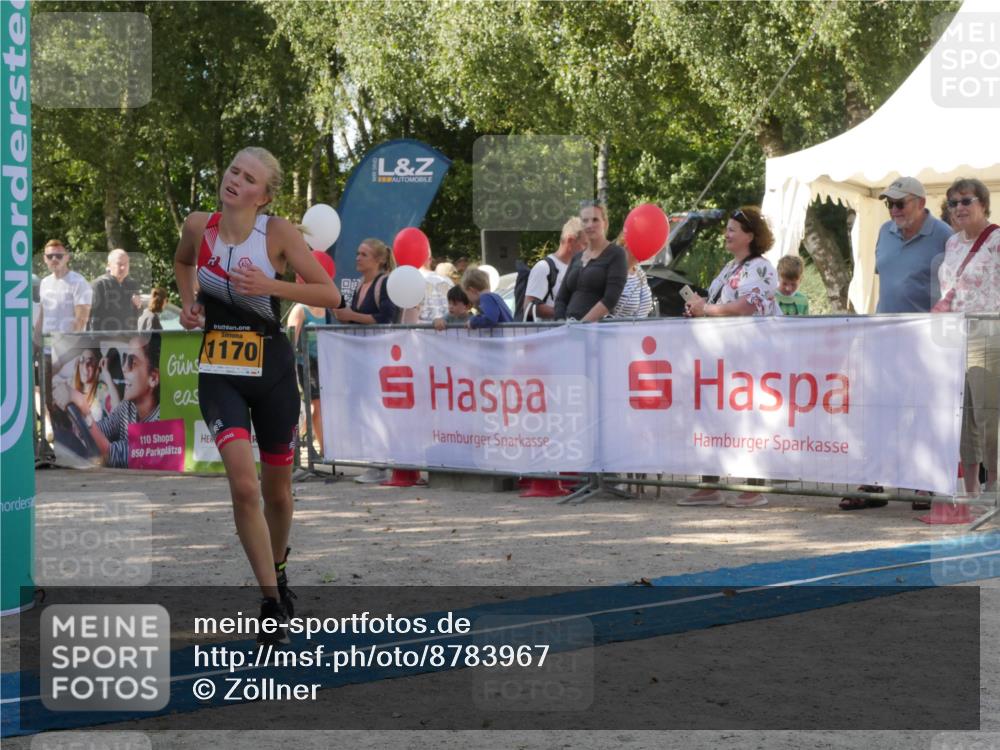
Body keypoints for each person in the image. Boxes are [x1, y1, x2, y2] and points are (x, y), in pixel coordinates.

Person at [174, 146, 340, 643]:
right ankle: (271, 601)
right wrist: (188, 304)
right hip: (219, 370)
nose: (235, 181)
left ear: (263, 196)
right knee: (244, 488)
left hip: (271, 369)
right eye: (232, 171)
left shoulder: (279, 233)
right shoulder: (197, 226)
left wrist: (272, 284)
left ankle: (280, 566)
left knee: (278, 494)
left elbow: (330, 295)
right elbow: (184, 264)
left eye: (248, 179)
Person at [842, 177, 953, 510]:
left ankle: (924, 483)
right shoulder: (883, 233)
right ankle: (874, 483)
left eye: (899, 203)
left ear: (919, 202)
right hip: (885, 337)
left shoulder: (945, 237)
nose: (893, 209)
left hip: (927, 340)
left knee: (924, 412)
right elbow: (888, 283)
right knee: (878, 412)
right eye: (889, 203)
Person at [681, 206, 781, 508]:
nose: (727, 234)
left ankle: (753, 487)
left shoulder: (761, 267)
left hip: (750, 356)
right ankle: (709, 484)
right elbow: (718, 303)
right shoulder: (730, 267)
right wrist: (697, 307)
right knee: (712, 417)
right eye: (727, 228)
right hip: (721, 355)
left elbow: (745, 306)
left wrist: (706, 310)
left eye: (733, 229)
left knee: (748, 419)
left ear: (750, 235)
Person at [936, 178, 999, 499]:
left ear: (983, 204)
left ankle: (994, 486)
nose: (958, 208)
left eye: (965, 201)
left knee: (988, 415)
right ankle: (971, 489)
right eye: (952, 203)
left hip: (989, 334)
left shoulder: (997, 240)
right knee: (962, 416)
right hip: (954, 336)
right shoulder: (952, 244)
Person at [64, 334, 160, 468]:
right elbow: (103, 428)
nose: (124, 368)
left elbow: (111, 454)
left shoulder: (162, 419)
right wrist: (81, 430)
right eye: (125, 359)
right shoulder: (127, 407)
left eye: (132, 362)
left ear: (153, 378)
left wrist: (82, 410)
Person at [288, 250, 336, 455]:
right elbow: (291, 339)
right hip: (306, 363)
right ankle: (325, 451)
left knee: (319, 406)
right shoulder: (300, 309)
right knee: (316, 404)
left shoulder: (327, 307)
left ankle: (298, 440)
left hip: (324, 362)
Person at [554, 202, 628, 321]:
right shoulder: (576, 257)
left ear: (605, 223)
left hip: (598, 333)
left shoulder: (616, 254)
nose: (589, 225)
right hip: (568, 331)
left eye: (595, 220)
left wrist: (581, 325)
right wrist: (561, 323)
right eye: (585, 221)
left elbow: (610, 299)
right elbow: (561, 299)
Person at [522, 217, 586, 320]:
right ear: (570, 241)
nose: (588, 249)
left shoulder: (579, 267)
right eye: (585, 244)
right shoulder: (543, 267)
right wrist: (564, 313)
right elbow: (528, 306)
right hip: (549, 334)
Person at [332, 239, 398, 325]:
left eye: (364, 255)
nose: (358, 258)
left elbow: (386, 319)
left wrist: (351, 315)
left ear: (379, 260)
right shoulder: (360, 284)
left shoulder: (385, 282)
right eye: (358, 254)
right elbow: (355, 321)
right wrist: (341, 314)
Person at [89, 248, 142, 331]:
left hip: (128, 340)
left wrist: (138, 305)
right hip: (104, 340)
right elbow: (91, 318)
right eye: (119, 264)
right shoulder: (99, 285)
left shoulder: (132, 285)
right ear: (109, 265)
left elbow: (136, 315)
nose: (123, 267)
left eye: (126, 264)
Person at [611, 246, 654, 319]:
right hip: (617, 328)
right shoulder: (611, 272)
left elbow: (645, 305)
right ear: (626, 247)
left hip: (639, 329)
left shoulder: (638, 270)